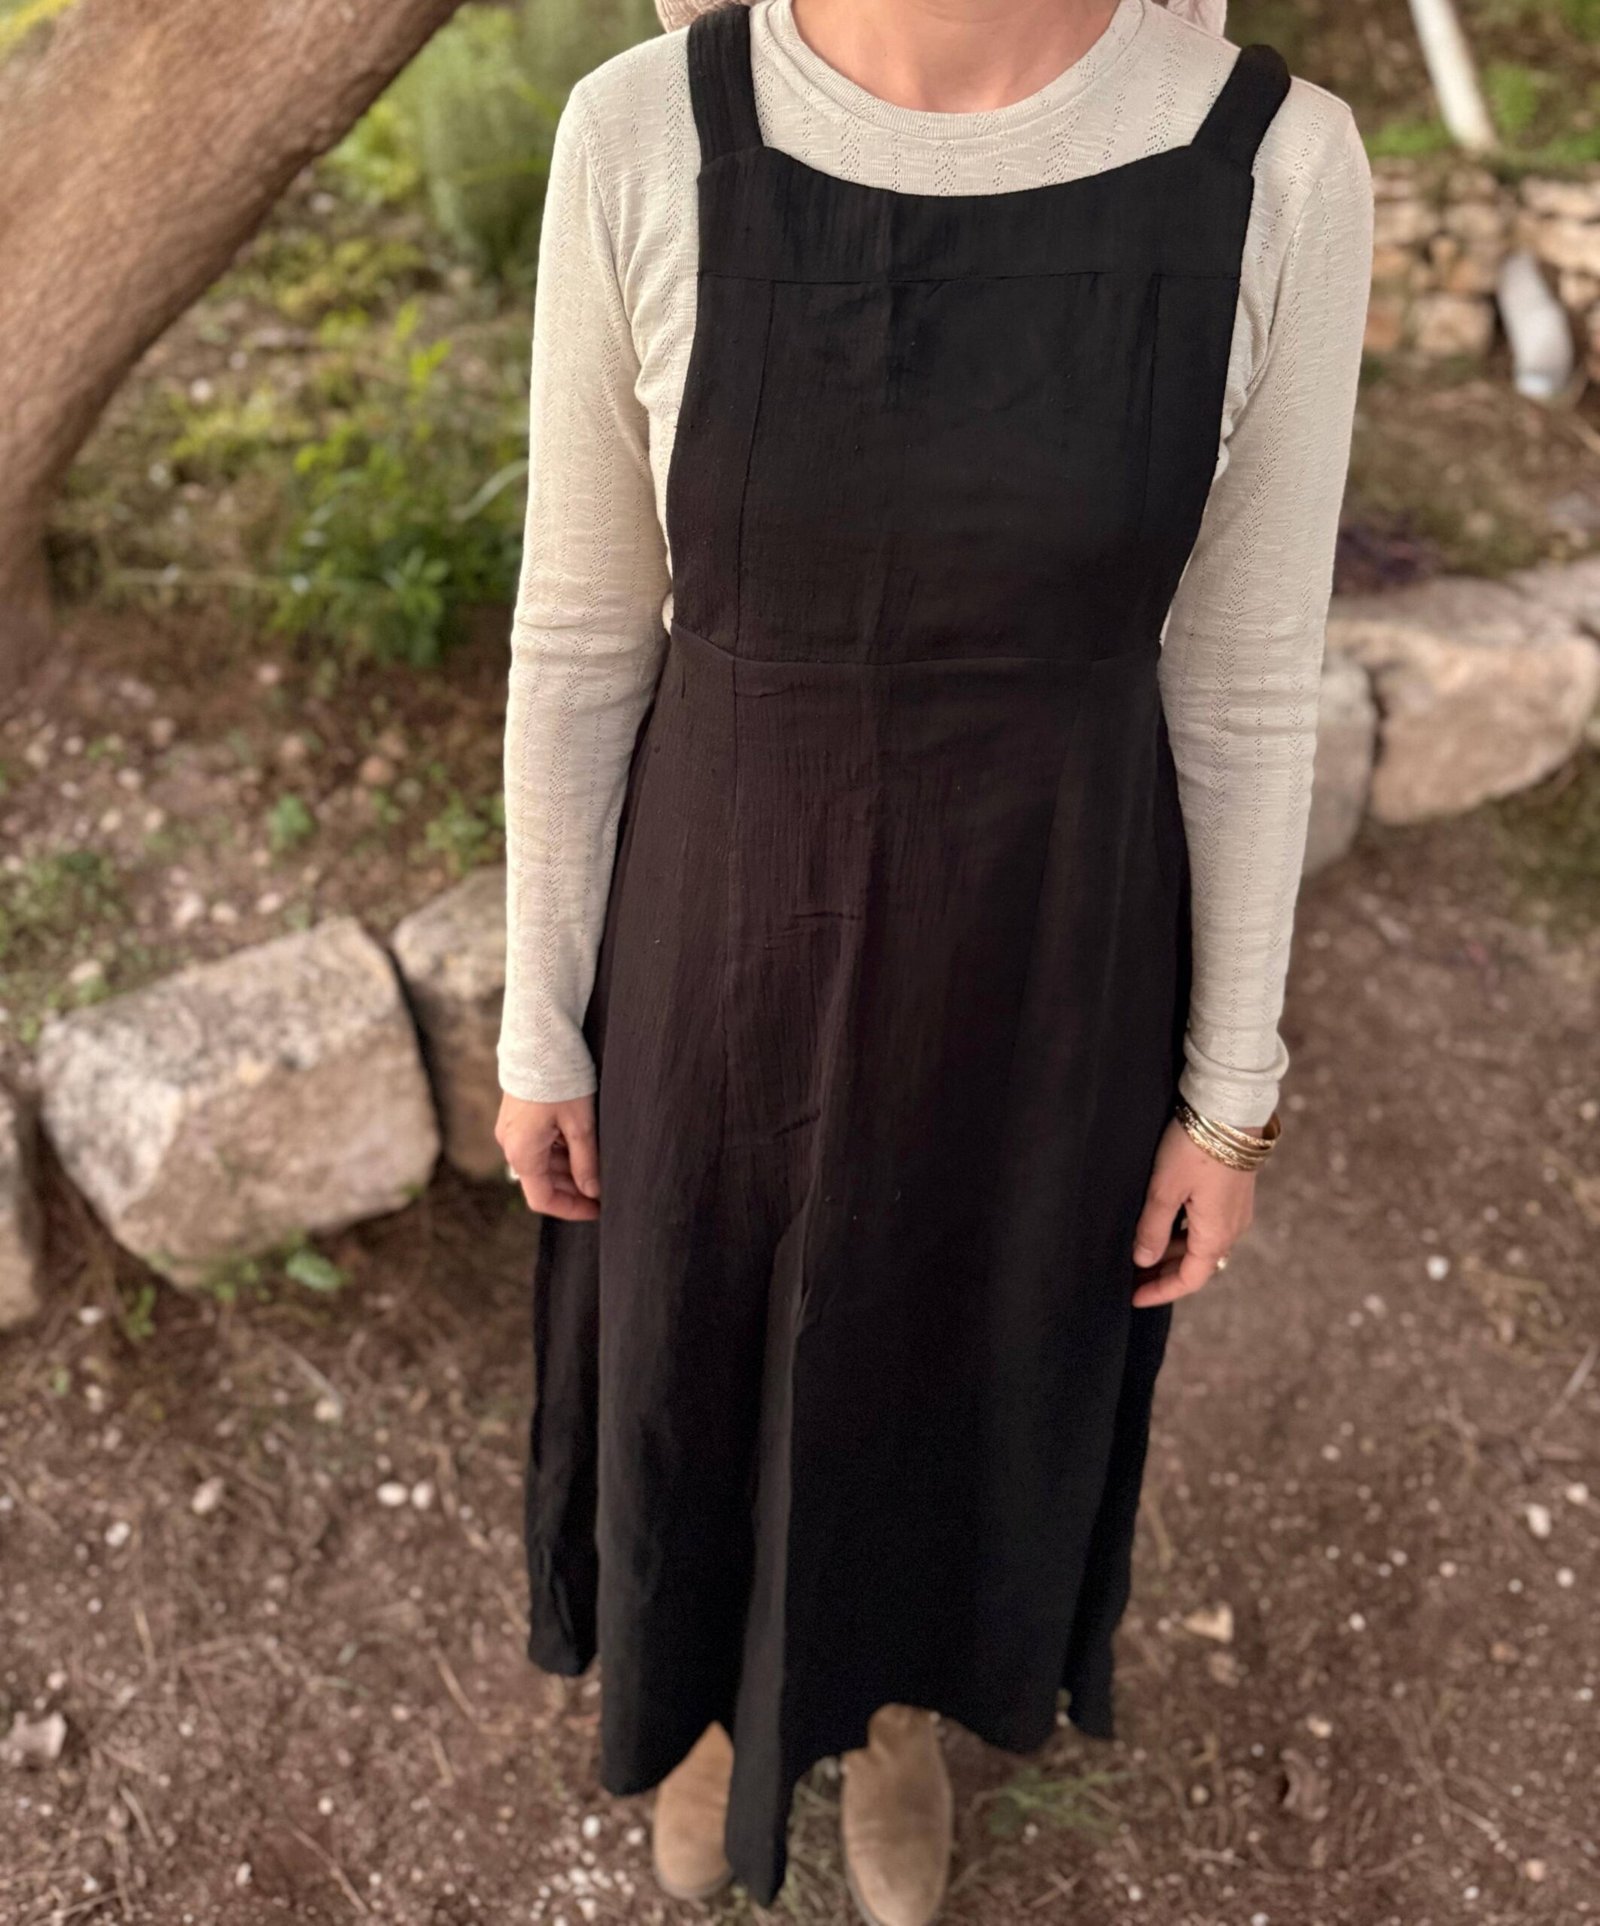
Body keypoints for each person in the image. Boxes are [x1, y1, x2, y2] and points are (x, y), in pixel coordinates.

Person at [495, 0, 1373, 1919]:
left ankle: (885, 1715)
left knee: (964, 1348)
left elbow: (1245, 676)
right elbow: (580, 621)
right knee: (699, 1336)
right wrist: (540, 1017)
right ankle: (711, 1706)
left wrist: (1231, 1092)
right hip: (719, 930)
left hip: (1051, 950)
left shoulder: (1276, 166)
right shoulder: (643, 131)